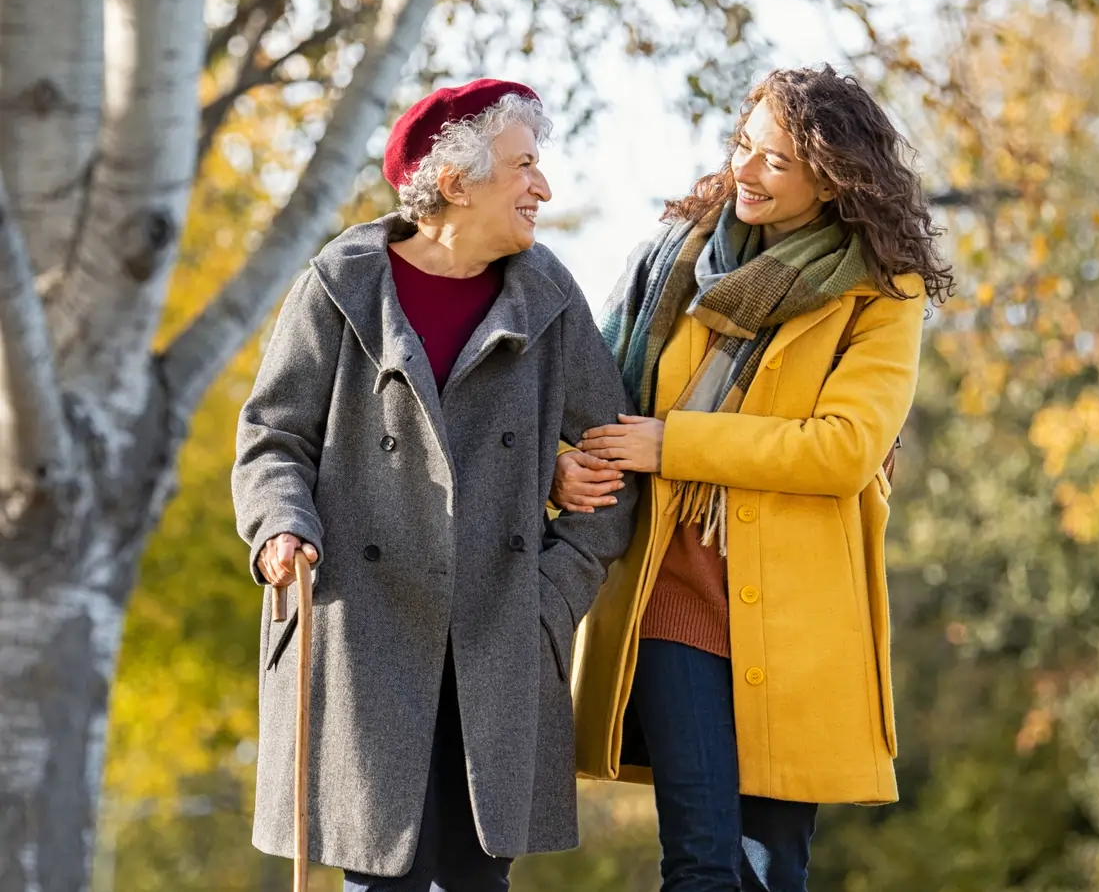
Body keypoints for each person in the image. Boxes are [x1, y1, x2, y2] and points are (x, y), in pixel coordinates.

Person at [232, 79, 638, 892]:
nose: (544, 188)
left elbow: (618, 460)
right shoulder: (341, 284)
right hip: (365, 638)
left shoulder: (548, 296)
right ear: (456, 182)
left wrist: (548, 602)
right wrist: (281, 524)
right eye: (524, 166)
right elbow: (273, 437)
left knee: (481, 878)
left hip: (499, 640)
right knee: (379, 877)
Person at [559, 66, 954, 891]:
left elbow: (843, 448)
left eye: (775, 161)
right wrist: (566, 461)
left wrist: (678, 444)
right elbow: (586, 390)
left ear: (835, 178)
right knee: (700, 858)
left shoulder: (881, 292)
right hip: (672, 589)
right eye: (744, 146)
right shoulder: (676, 259)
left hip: (800, 614)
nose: (746, 170)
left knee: (775, 869)